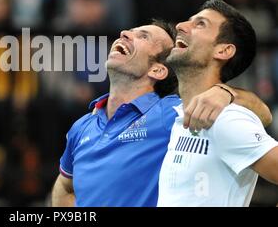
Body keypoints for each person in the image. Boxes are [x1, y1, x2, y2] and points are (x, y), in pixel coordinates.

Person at [52, 19, 272, 207]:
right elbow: (64, 185)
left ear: (157, 70)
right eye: (131, 31)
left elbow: (263, 113)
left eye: (143, 37)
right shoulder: (81, 127)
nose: (124, 33)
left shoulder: (172, 112)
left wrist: (225, 93)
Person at [158, 0, 278, 207]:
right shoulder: (180, 113)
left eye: (200, 24)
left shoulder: (226, 118)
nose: (180, 26)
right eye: (189, 21)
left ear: (223, 51)